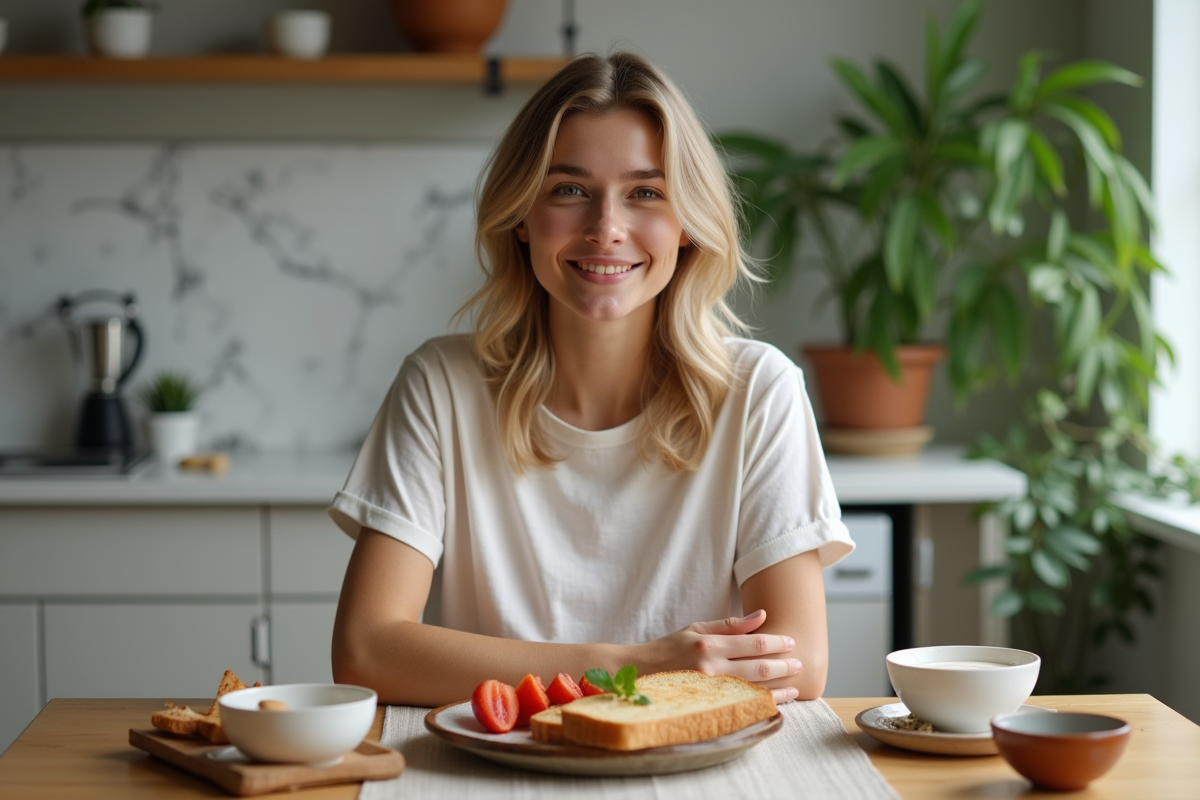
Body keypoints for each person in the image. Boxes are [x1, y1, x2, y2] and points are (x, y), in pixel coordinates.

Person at [328, 51, 853, 708]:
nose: (607, 229)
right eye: (569, 190)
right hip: (495, 768)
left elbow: (797, 666)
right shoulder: (440, 385)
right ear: (522, 214)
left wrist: (616, 676)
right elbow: (366, 651)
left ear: (687, 224)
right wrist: (635, 665)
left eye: (646, 193)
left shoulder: (760, 391)